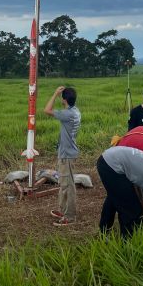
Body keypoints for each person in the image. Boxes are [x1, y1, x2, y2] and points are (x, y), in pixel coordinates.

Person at [43, 85, 81, 226]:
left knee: (67, 185)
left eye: (61, 97)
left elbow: (46, 110)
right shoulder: (75, 111)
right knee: (63, 183)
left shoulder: (67, 114)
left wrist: (54, 94)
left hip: (67, 155)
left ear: (64, 99)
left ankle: (69, 216)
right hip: (68, 152)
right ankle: (63, 210)